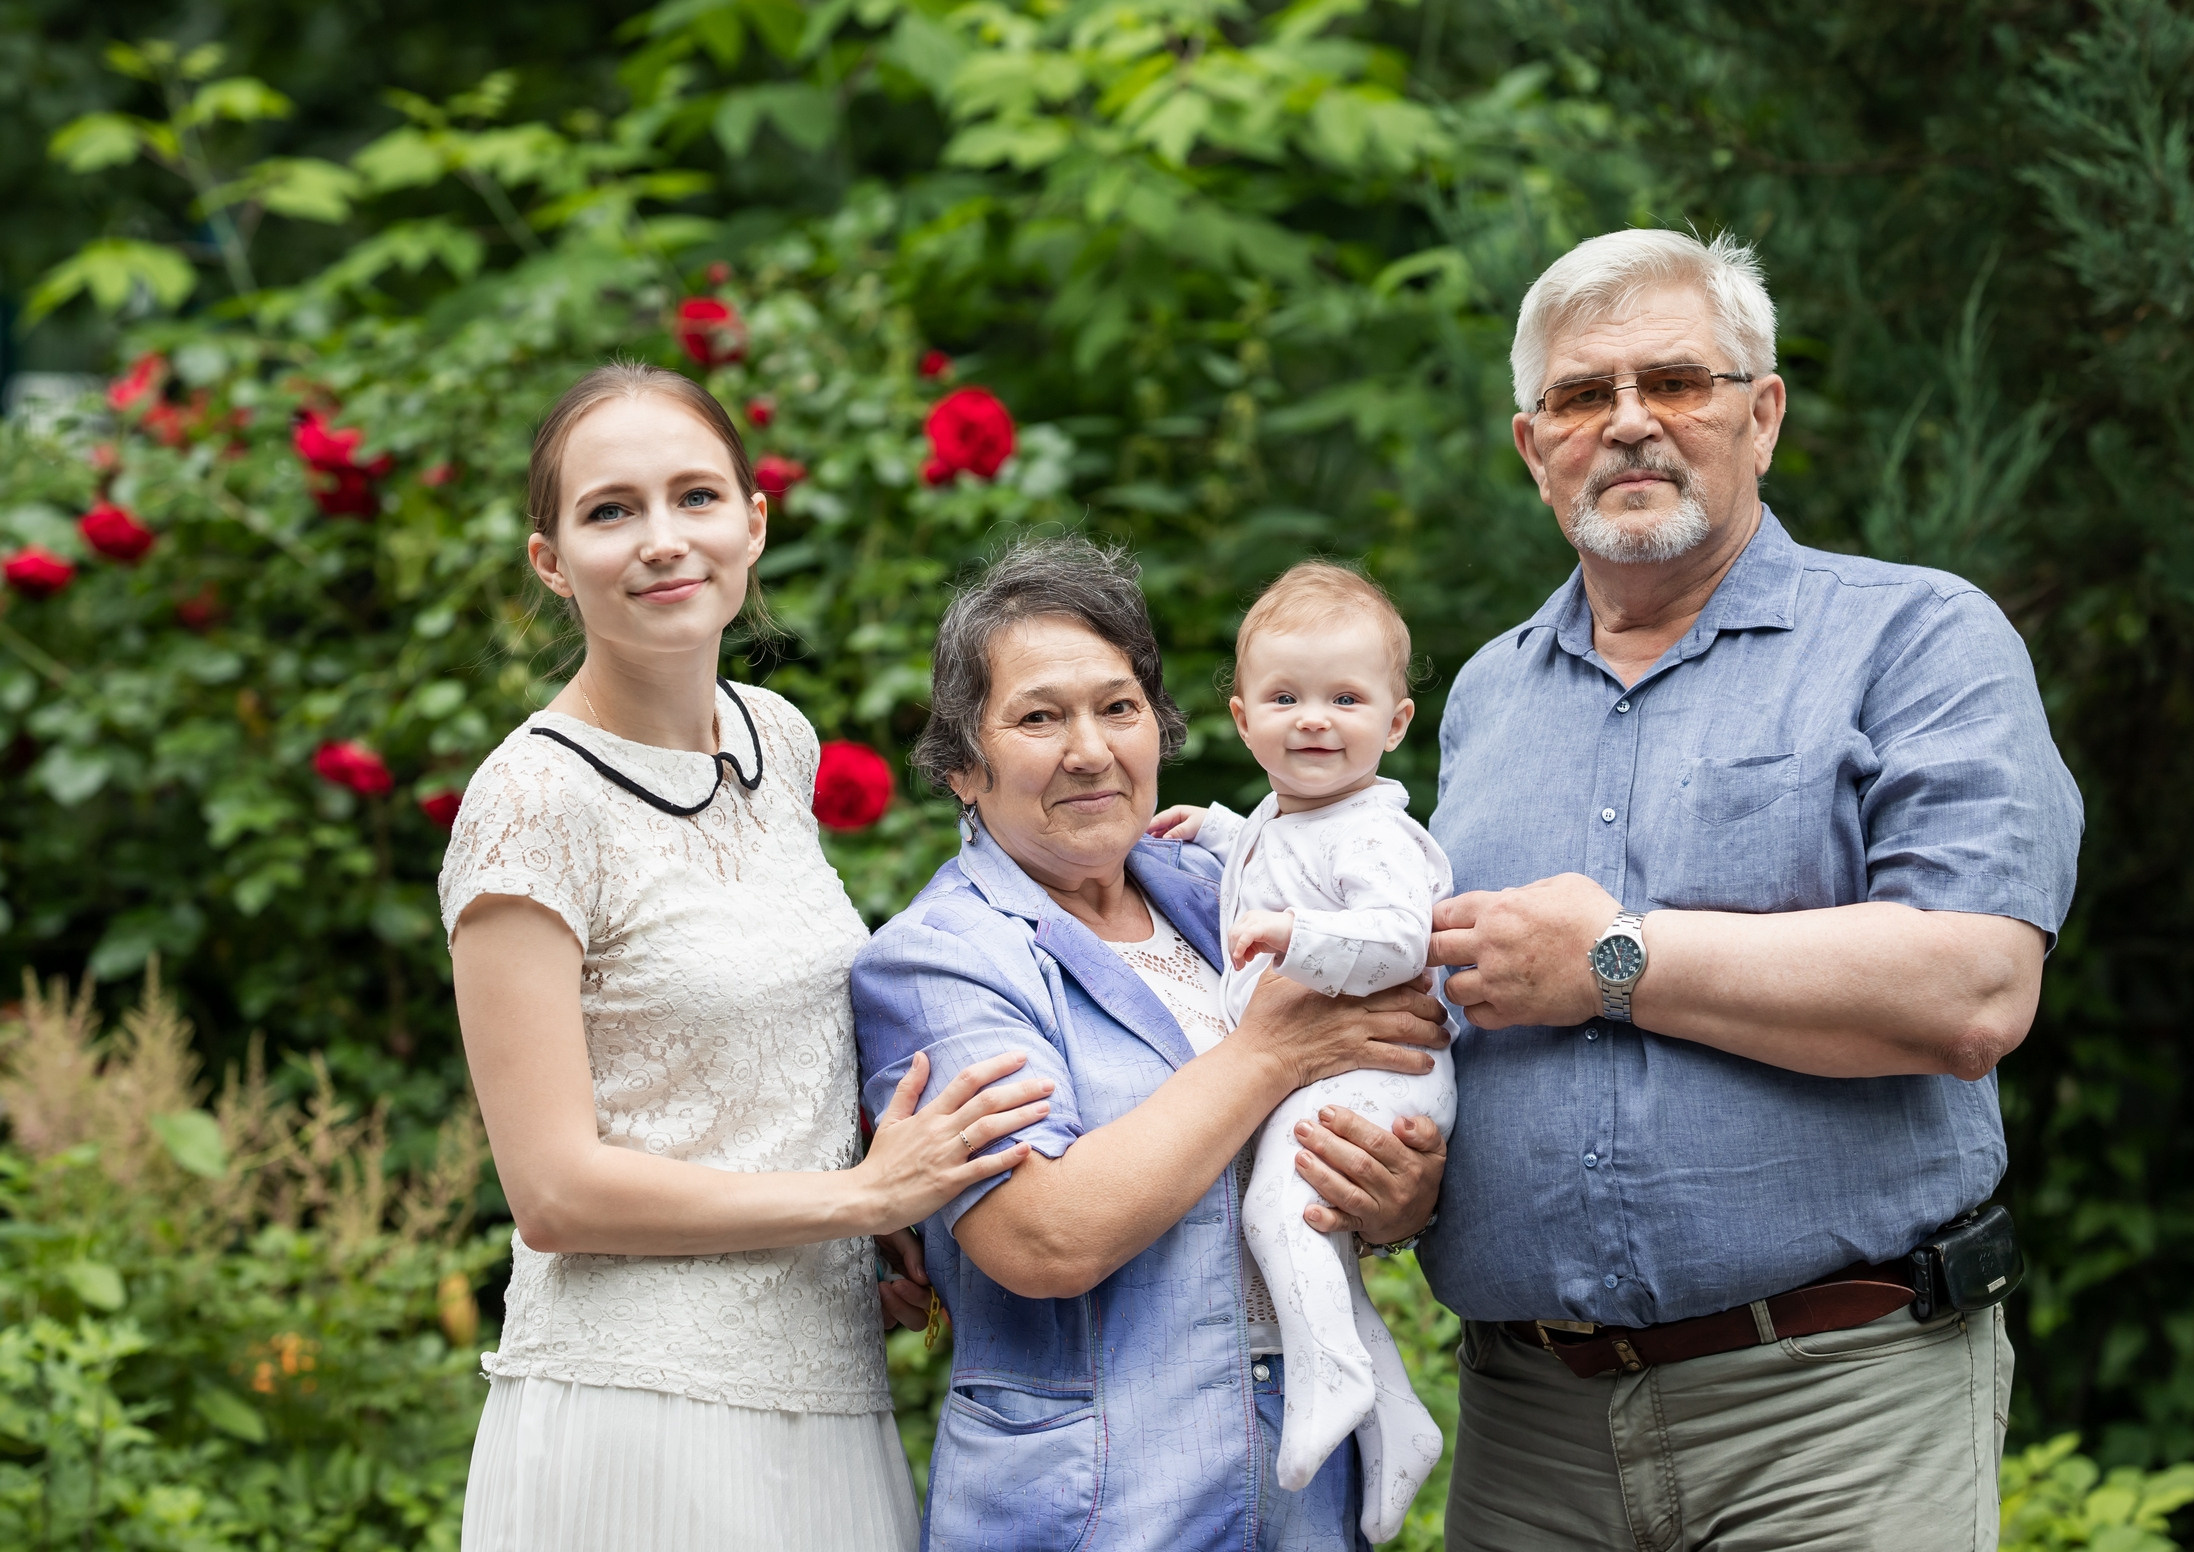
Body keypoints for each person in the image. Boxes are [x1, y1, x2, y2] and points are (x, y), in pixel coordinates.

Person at [1421, 229, 2083, 1551]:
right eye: (1579, 396)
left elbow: (1976, 988)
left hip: (1834, 1412)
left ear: (1762, 414)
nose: (1627, 426)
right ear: (1531, 442)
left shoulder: (1917, 639)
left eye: (1676, 381)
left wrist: (1613, 960)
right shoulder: (1486, 694)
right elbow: (1456, 1007)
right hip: (1529, 1422)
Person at [439, 363, 1051, 1552]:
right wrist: (863, 1194)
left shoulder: (779, 741)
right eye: (612, 510)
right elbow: (555, 1191)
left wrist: (878, 1220)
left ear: (752, 521)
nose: (664, 540)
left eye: (695, 497)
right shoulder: (529, 801)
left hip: (823, 1385)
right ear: (551, 560)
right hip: (645, 1410)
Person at [847, 537, 1452, 1552]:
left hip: (1303, 1495)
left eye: (1118, 707)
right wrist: (1265, 1055)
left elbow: (1345, 1105)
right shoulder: (941, 960)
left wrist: (1395, 1197)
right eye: (1040, 716)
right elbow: (1043, 1237)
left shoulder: (1217, 890)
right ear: (961, 763)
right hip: (1107, 1504)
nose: (1090, 749)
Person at [1151, 562, 1452, 1540]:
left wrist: (1295, 940)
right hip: (1328, 1062)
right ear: (1243, 719)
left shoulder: (1375, 833)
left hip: (1382, 1062)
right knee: (1304, 1233)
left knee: (1281, 1209)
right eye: (1286, 698)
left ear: (1397, 723)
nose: (1314, 719)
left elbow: (1402, 936)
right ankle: (1394, 1413)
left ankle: (1330, 1382)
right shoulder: (1289, 818)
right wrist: (1217, 829)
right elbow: (1278, 853)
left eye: (1345, 699)